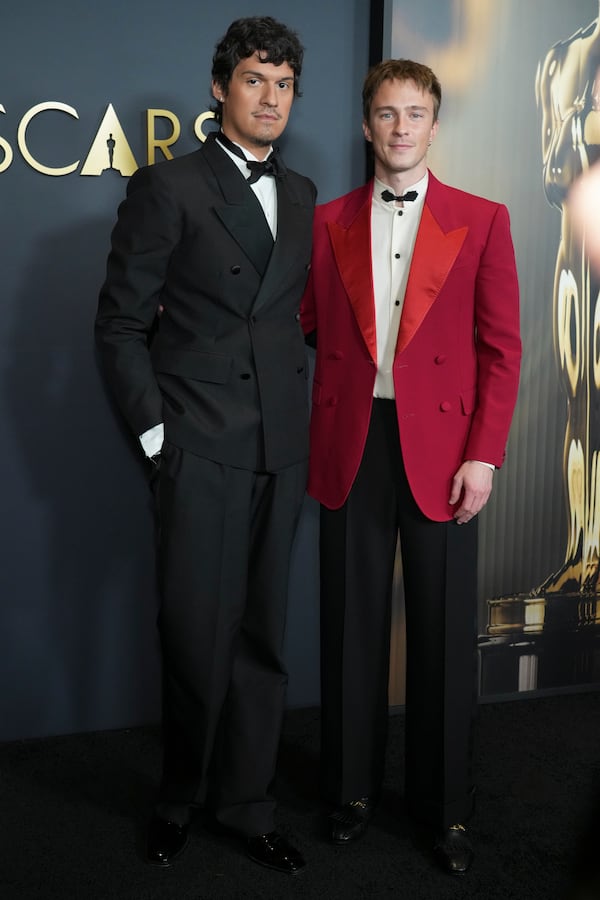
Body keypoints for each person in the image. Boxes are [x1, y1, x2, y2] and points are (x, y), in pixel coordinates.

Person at [95, 16, 316, 875]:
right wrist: (159, 436)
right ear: (221, 88)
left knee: (262, 637)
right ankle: (179, 797)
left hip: (279, 447)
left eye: (285, 84)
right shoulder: (169, 186)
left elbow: (295, 322)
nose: (271, 98)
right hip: (199, 440)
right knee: (195, 631)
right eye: (256, 80)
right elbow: (118, 326)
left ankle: (248, 804)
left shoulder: (298, 194)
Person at [300, 58, 521, 874]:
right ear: (367, 125)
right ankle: (351, 792)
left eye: (415, 114)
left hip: (446, 452)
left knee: (439, 639)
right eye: (386, 114)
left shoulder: (484, 219)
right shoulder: (325, 221)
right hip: (351, 444)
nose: (400, 128)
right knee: (350, 625)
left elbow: (502, 350)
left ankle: (443, 811)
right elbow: (303, 326)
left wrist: (484, 456)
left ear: (435, 124)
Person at [534, 8, 600, 596]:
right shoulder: (560, 59)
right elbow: (555, 171)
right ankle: (585, 549)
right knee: (581, 400)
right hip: (576, 254)